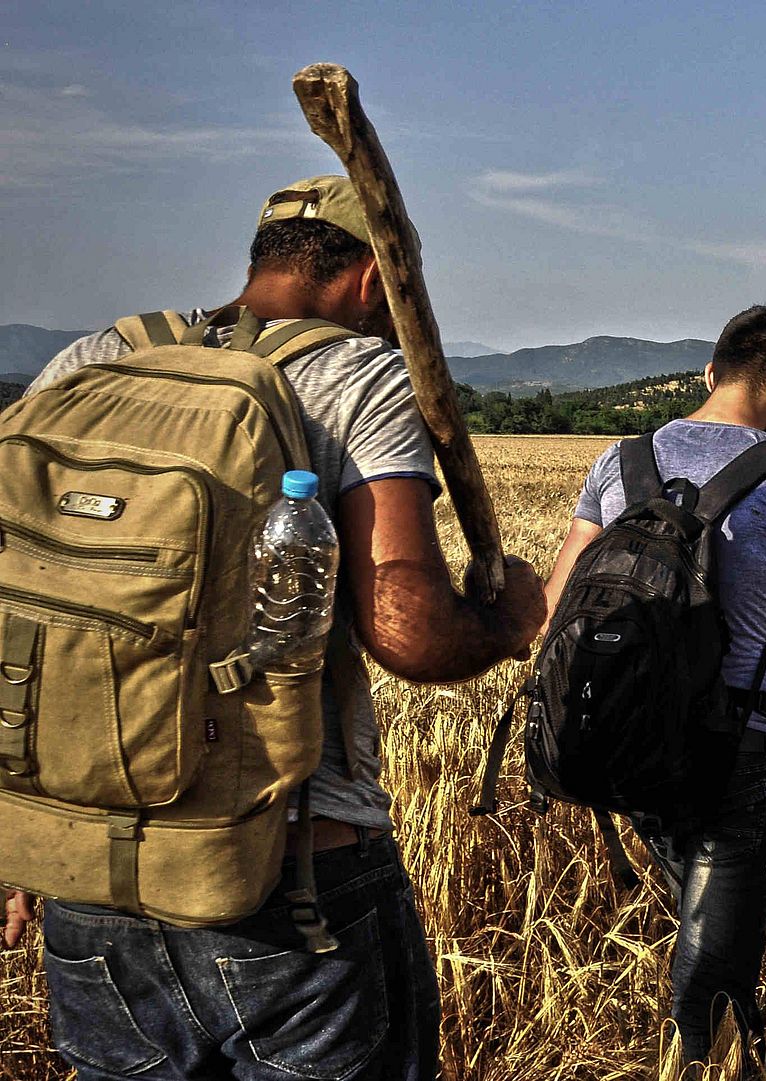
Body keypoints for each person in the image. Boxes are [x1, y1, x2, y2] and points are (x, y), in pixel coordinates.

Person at [2, 175, 547, 1080]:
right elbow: (406, 628)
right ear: (377, 284)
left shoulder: (91, 360)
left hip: (84, 880)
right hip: (289, 886)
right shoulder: (358, 374)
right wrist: (504, 621)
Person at [545, 305, 766, 1062]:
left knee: (712, 955)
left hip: (631, 744)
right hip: (738, 753)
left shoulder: (619, 461)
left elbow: (557, 612)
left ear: (709, 373)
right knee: (711, 991)